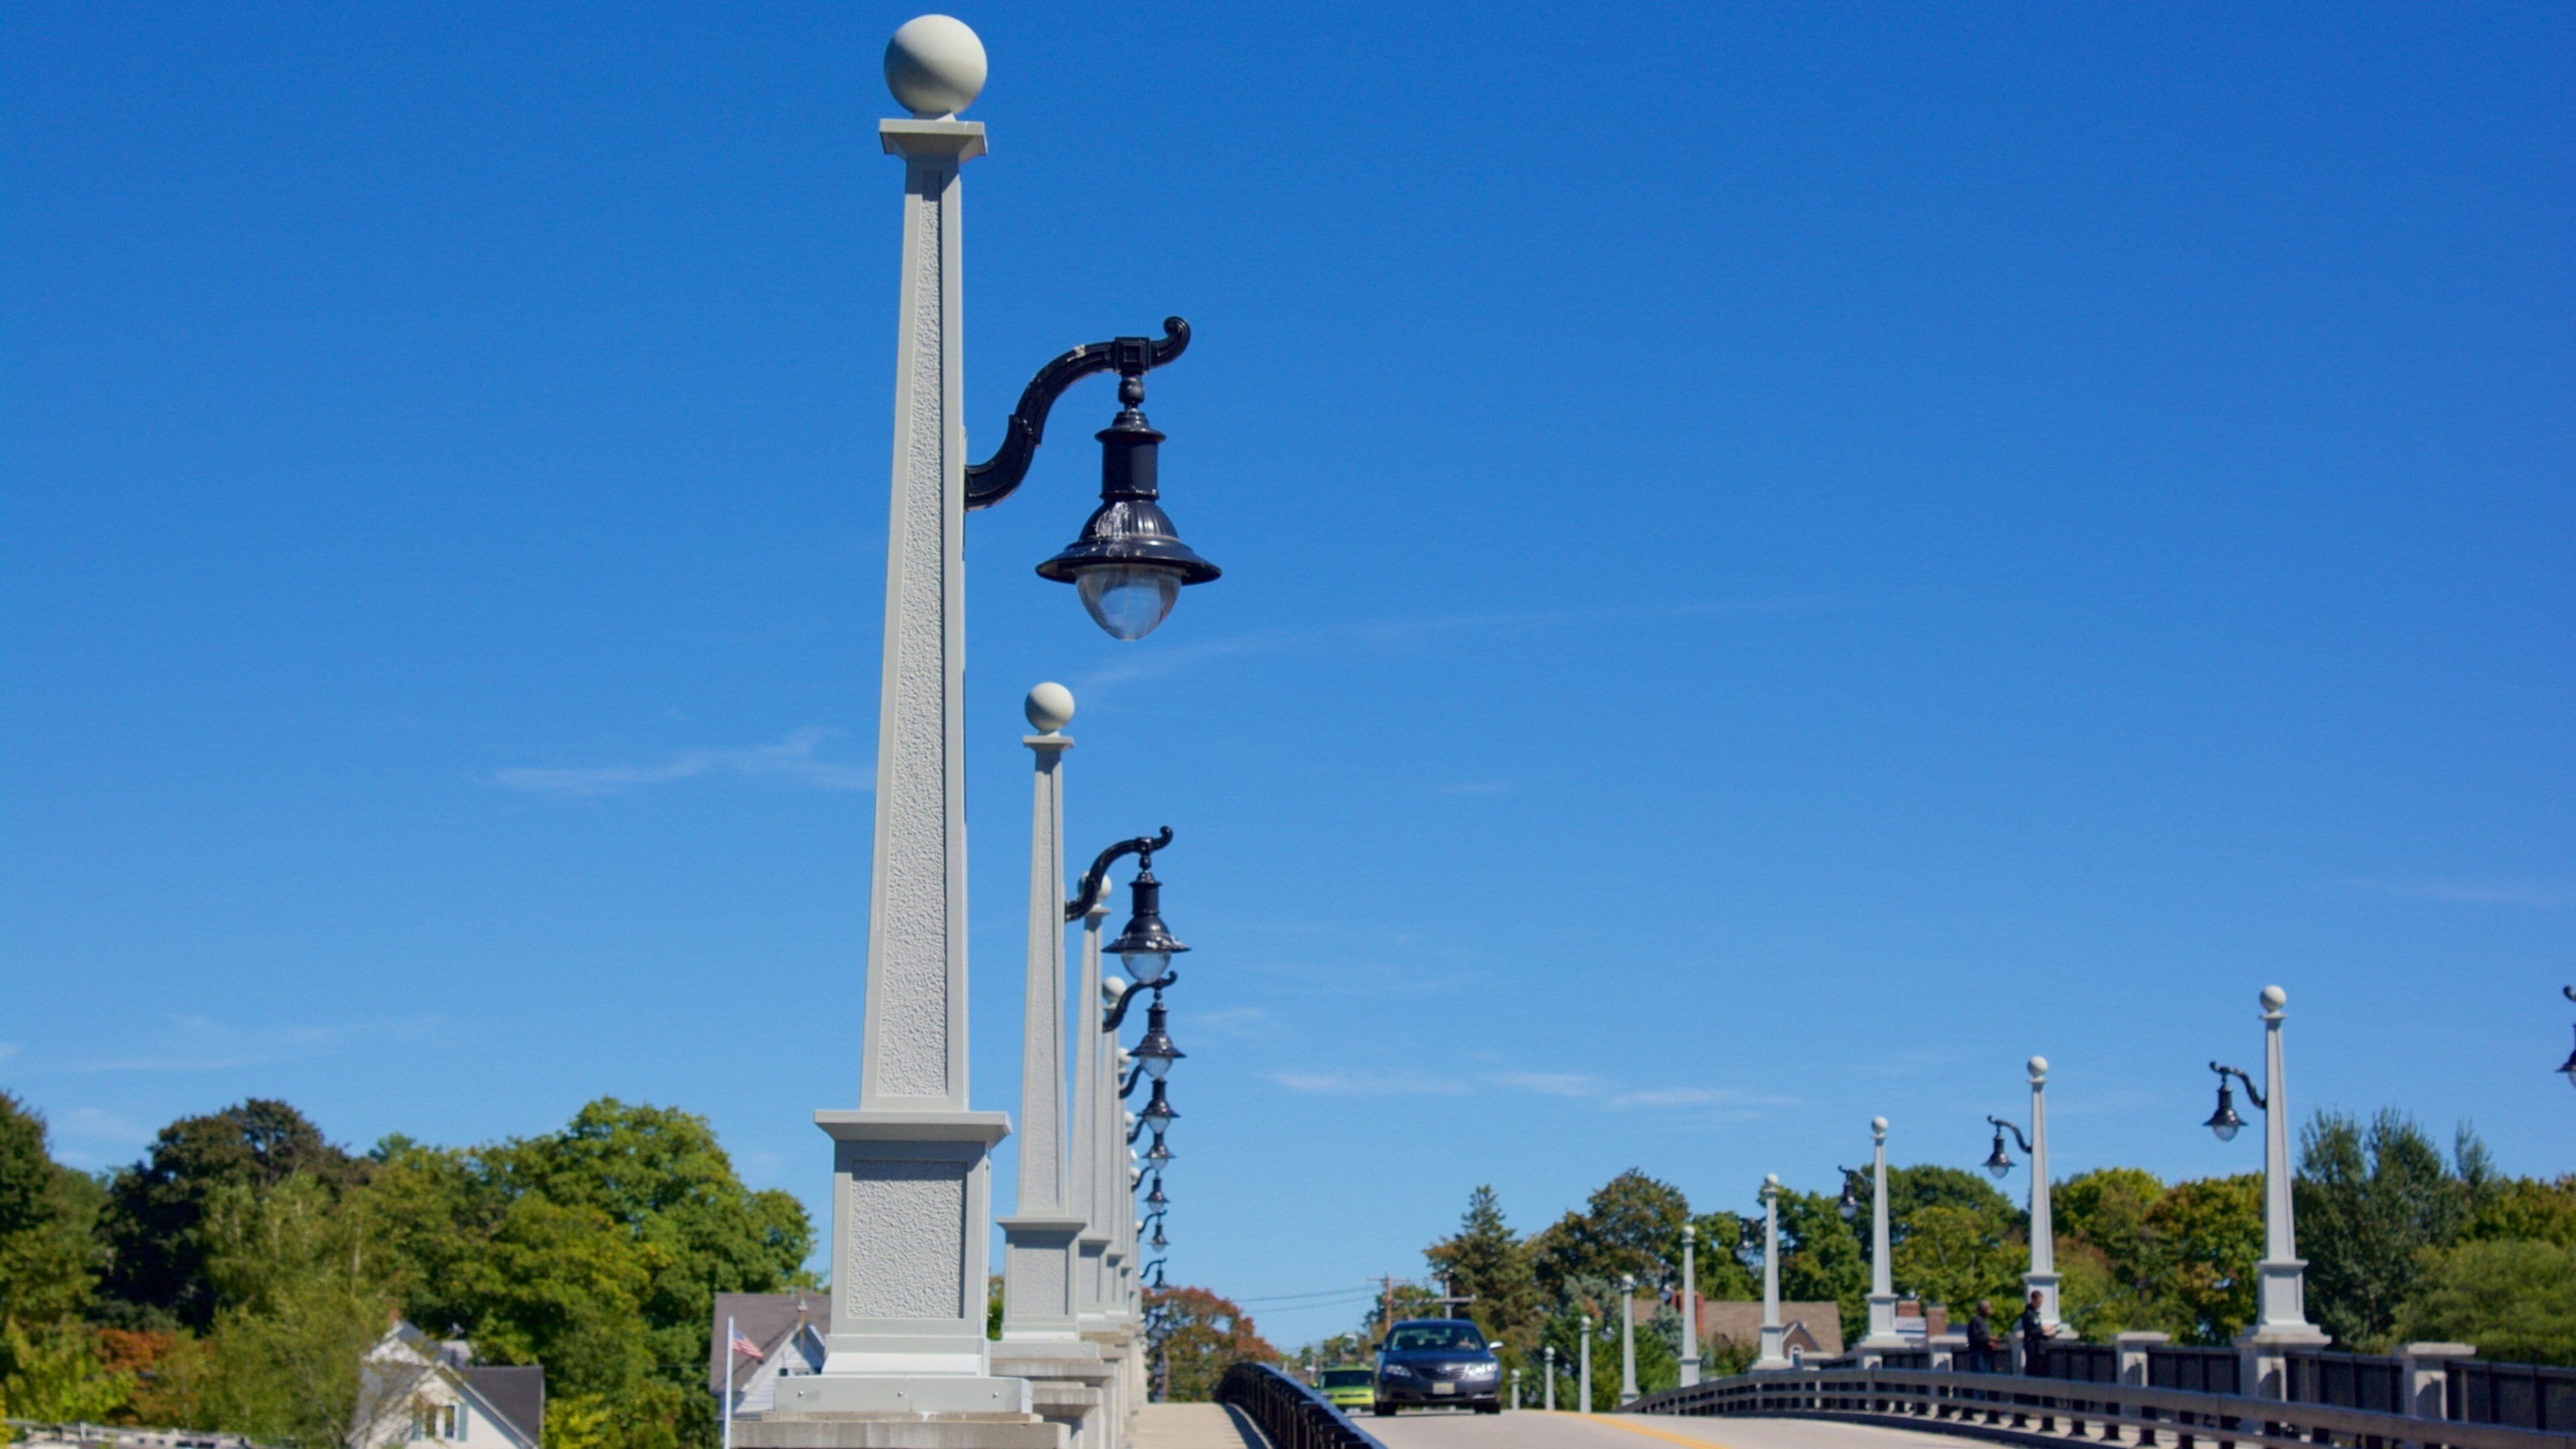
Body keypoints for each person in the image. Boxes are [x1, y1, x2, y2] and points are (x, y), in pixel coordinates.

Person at [2018, 1291, 2049, 1377]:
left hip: (2039, 1347)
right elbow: (2032, 1331)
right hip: (2032, 1347)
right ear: (2033, 1300)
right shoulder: (2028, 1314)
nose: (2040, 1305)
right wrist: (2043, 1330)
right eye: (2039, 1302)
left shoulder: (2035, 1314)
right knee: (2032, 1370)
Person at [1964, 1300, 1996, 1373]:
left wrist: (1989, 1343)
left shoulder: (1982, 1321)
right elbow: (1977, 1337)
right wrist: (1991, 1338)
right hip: (1979, 1354)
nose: (1991, 1310)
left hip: (1985, 1353)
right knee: (1981, 1378)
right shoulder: (1976, 1321)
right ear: (1983, 1309)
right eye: (1989, 1308)